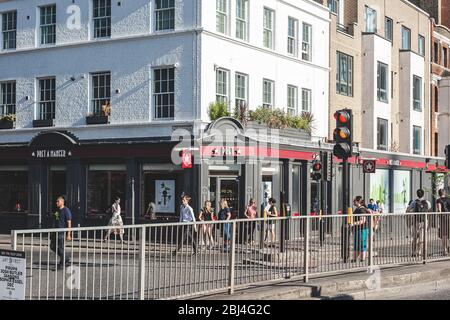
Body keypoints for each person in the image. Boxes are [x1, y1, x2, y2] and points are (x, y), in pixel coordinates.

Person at [406, 189, 431, 257]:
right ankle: (420, 251)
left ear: (417, 194)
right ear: (423, 194)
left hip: (416, 221)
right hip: (424, 221)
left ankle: (413, 252)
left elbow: (407, 210)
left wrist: (412, 213)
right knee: (422, 237)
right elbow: (430, 211)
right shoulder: (427, 202)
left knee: (414, 237)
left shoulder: (414, 202)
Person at [50, 196, 72, 269]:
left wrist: (68, 234)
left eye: (58, 201)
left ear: (62, 202)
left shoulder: (66, 210)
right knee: (52, 246)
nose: (56, 203)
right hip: (54, 231)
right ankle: (65, 257)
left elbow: (69, 222)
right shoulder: (57, 210)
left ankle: (62, 264)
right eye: (56, 201)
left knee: (61, 247)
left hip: (61, 232)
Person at [351, 196, 370, 262]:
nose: (353, 202)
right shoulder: (358, 209)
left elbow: (363, 220)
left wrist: (353, 223)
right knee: (356, 244)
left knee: (362, 244)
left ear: (358, 201)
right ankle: (354, 259)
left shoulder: (362, 209)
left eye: (354, 200)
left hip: (362, 229)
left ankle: (362, 259)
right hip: (357, 229)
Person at [436, 189, 450, 255]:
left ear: (439, 194)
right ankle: (448, 249)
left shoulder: (438, 200)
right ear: (444, 193)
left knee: (444, 234)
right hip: (449, 216)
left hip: (443, 218)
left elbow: (439, 209)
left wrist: (438, 216)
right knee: (448, 233)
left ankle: (445, 250)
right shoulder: (448, 199)